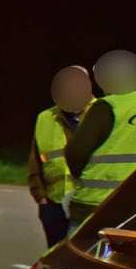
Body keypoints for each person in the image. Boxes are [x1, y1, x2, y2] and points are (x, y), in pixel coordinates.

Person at [65, 48, 136, 232]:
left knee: (79, 258)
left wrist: (77, 176)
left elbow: (76, 152)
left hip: (97, 203)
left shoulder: (107, 106)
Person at [28, 65, 91, 247]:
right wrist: (40, 196)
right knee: (57, 260)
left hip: (86, 204)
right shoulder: (45, 117)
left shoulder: (101, 112)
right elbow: (35, 159)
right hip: (53, 203)